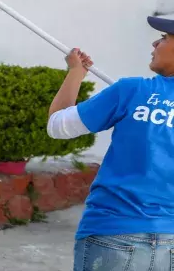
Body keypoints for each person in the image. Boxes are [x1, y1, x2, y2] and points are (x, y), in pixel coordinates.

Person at [47, 16, 174, 271]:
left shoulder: (132, 90)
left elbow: (57, 126)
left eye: (164, 38)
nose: (155, 42)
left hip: (113, 232)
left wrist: (75, 73)